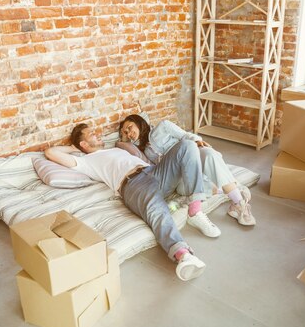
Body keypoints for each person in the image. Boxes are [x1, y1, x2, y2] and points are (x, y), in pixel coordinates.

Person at [44, 123, 221, 282]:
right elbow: (50, 153)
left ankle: (195, 210)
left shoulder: (116, 148)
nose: (98, 134)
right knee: (158, 213)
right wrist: (74, 147)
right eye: (91, 134)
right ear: (83, 144)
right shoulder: (84, 162)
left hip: (154, 171)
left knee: (188, 145)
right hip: (133, 184)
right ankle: (183, 255)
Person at [118, 114, 256, 226]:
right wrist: (124, 137)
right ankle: (229, 189)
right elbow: (123, 145)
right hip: (180, 172)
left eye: (130, 127)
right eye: (125, 132)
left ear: (139, 122)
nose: (129, 133)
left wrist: (197, 141)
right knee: (183, 189)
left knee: (209, 155)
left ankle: (238, 203)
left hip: (191, 153)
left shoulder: (163, 126)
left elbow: (185, 135)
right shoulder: (144, 151)